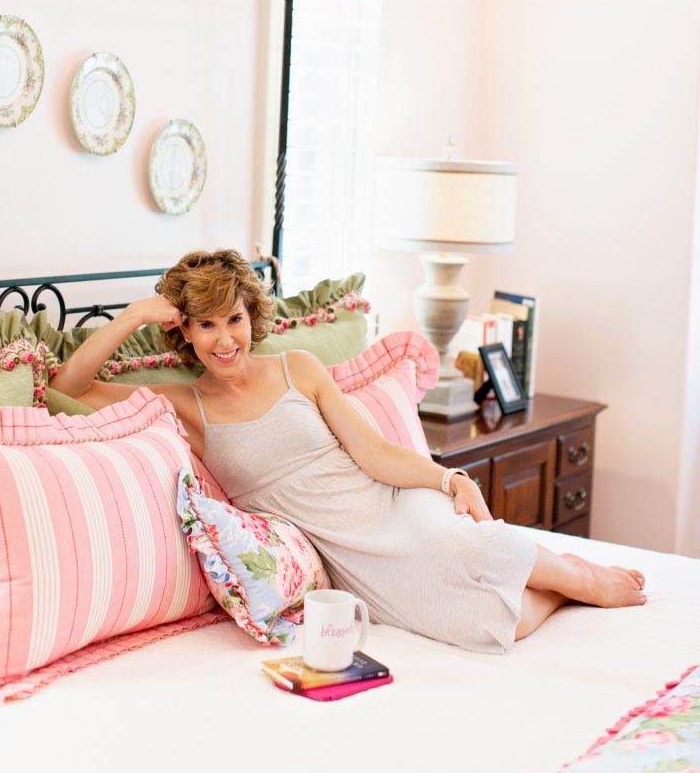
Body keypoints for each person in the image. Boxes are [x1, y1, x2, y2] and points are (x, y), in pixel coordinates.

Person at [52, 249, 646, 653]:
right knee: (491, 628)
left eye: (233, 319)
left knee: (457, 542)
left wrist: (446, 479)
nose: (225, 339)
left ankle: (581, 577)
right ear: (183, 331)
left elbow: (374, 452)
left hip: (389, 505)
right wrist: (133, 316)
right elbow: (65, 389)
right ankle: (561, 590)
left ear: (251, 317)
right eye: (205, 325)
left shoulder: (298, 368)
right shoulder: (185, 405)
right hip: (345, 553)